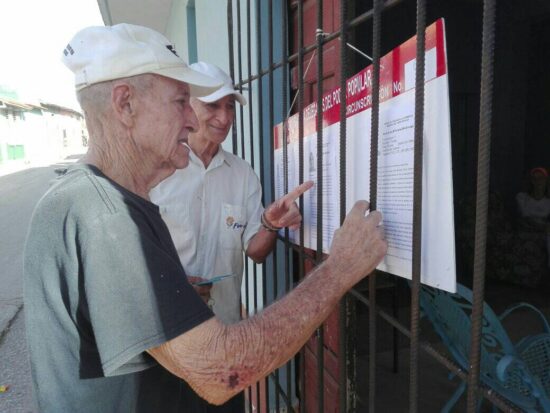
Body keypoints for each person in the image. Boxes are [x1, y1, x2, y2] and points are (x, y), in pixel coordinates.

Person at [23, 23, 387, 413]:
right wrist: (341, 268)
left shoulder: (106, 201)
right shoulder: (105, 217)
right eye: (182, 101)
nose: (196, 121)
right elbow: (221, 371)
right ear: (124, 104)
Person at [150, 62, 307, 412]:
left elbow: (256, 252)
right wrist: (174, 287)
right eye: (213, 105)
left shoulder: (242, 175)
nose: (224, 117)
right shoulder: (159, 170)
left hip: (224, 334)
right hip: (167, 336)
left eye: (230, 106)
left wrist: (269, 224)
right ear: (188, 106)